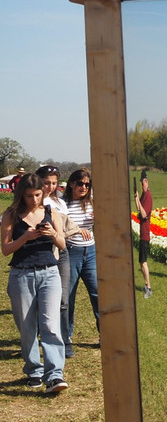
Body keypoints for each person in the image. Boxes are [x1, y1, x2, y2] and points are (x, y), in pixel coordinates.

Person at [2, 173, 68, 393]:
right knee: (27, 326)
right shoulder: (11, 215)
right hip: (21, 274)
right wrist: (25, 238)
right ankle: (34, 370)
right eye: (29, 196)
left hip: (49, 273)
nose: (34, 200)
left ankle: (55, 375)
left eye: (38, 195)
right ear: (21, 194)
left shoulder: (52, 213)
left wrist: (51, 235)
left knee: (50, 325)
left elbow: (63, 244)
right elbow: (5, 249)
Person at [36, 165, 77, 357]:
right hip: (42, 253)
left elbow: (64, 228)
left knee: (63, 299)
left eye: (54, 183)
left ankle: (64, 339)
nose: (50, 187)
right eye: (46, 183)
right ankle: (42, 335)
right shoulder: (33, 200)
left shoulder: (60, 202)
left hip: (62, 252)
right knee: (41, 300)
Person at [63, 167, 99, 345]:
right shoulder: (63, 204)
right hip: (71, 252)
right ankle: (66, 336)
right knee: (68, 296)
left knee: (98, 293)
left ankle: (105, 335)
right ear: (71, 184)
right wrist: (75, 231)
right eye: (80, 183)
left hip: (90, 252)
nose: (83, 187)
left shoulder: (92, 203)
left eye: (87, 184)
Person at [135, 170, 153, 297]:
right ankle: (147, 285)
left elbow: (143, 213)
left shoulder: (148, 196)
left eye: (142, 184)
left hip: (145, 234)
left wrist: (139, 201)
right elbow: (138, 208)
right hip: (143, 233)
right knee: (141, 262)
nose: (142, 186)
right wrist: (136, 198)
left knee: (143, 262)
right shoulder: (144, 195)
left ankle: (148, 287)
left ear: (146, 182)